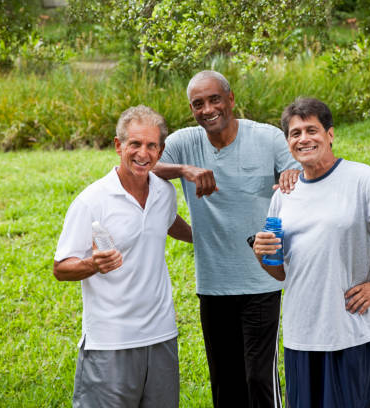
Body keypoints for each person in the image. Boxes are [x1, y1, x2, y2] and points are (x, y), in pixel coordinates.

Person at [252, 98, 370, 408]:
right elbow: (284, 272)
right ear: (287, 142)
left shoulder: (362, 180)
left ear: (330, 134)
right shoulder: (286, 194)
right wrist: (262, 255)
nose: (304, 139)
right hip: (301, 338)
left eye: (312, 130)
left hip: (349, 334)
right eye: (295, 133)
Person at [153, 70, 301, 408]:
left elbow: (300, 177)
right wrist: (184, 171)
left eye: (214, 99)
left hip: (262, 281)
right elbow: (140, 167)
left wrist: (293, 177)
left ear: (230, 99)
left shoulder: (267, 138)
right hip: (213, 284)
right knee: (224, 381)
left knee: (259, 380)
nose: (207, 109)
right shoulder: (183, 143)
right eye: (197, 104)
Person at [53, 105, 192, 408]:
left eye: (151, 145)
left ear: (161, 150)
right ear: (119, 146)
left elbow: (167, 221)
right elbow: (61, 268)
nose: (143, 153)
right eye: (135, 144)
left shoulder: (163, 192)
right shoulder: (92, 201)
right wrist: (92, 264)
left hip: (161, 336)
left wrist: (207, 238)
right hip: (110, 342)